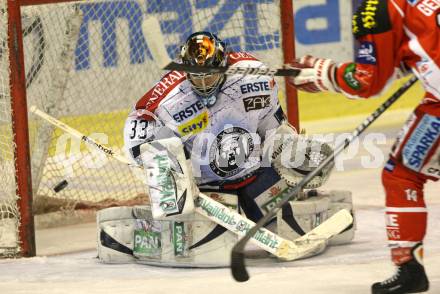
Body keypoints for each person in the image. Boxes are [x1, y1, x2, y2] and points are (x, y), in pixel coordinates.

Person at [117, 31, 351, 267]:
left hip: (255, 173)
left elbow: (270, 122)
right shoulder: (170, 98)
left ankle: (307, 207)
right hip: (207, 185)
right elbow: (140, 117)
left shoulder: (253, 77)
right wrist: (152, 162)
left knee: (287, 232)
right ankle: (130, 231)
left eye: (210, 77)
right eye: (196, 78)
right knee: (209, 252)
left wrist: (288, 149)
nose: (203, 84)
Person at [288, 0, 439, 293]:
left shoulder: (376, 9)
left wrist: (323, 74)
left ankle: (409, 269)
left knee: (402, 174)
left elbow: (367, 82)